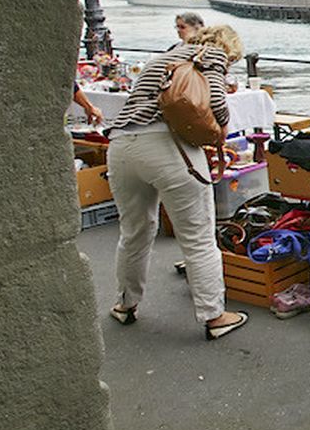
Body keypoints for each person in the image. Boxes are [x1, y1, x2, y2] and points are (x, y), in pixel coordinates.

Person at [105, 24, 249, 340]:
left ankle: (125, 304)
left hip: (121, 146)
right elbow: (214, 102)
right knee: (197, 235)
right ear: (228, 48)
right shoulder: (212, 55)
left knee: (134, 232)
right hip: (166, 146)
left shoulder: (166, 56)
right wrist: (220, 131)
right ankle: (215, 315)